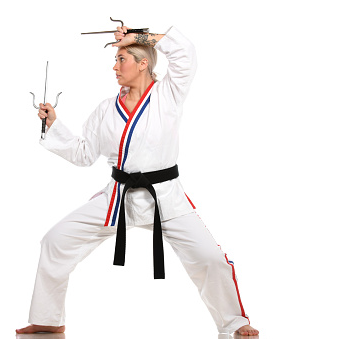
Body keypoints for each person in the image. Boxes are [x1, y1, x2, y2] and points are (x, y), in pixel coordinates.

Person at [16, 26, 259, 336]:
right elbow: (83, 153)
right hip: (117, 198)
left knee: (210, 257)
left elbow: (185, 54)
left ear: (143, 63)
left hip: (166, 197)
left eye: (121, 58)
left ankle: (235, 322)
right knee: (55, 240)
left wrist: (139, 36)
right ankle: (48, 319)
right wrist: (53, 124)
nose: (114, 66)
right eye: (116, 60)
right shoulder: (106, 109)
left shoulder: (168, 94)